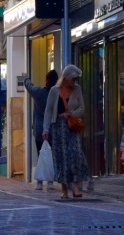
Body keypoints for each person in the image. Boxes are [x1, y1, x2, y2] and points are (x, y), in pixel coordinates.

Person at [43, 64, 90, 199]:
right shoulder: (54, 90)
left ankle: (75, 186)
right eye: (73, 79)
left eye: (76, 80)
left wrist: (71, 114)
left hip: (72, 126)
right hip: (58, 128)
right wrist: (46, 128)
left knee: (75, 154)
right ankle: (64, 188)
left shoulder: (77, 89)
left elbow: (82, 107)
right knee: (61, 157)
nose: (74, 82)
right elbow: (48, 110)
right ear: (66, 78)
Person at [24, 69, 58, 190]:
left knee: (40, 154)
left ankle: (39, 181)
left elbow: (29, 86)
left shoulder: (39, 92)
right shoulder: (57, 93)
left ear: (46, 80)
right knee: (51, 155)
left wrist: (26, 78)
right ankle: (50, 180)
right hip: (53, 129)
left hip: (39, 129)